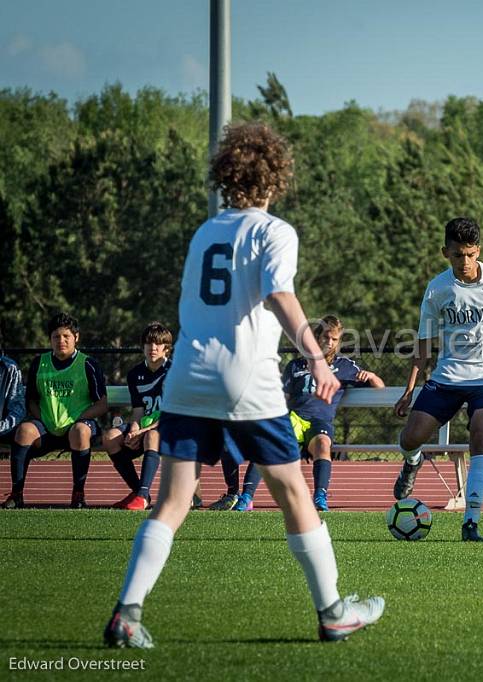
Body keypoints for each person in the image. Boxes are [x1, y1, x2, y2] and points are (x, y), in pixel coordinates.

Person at [103, 121, 383, 649]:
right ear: (274, 177)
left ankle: (126, 612)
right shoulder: (274, 231)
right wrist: (318, 358)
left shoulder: (205, 232)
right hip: (245, 377)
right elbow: (280, 294)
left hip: (188, 373)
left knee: (174, 499)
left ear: (225, 176)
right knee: (294, 493)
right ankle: (333, 613)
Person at [392, 217, 483, 542]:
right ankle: (413, 462)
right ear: (445, 253)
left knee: (481, 433)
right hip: (448, 377)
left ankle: (471, 520)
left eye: (469, 254)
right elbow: (424, 340)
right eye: (457, 255)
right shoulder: (438, 289)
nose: (464, 262)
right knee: (410, 438)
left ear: (478, 250)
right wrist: (410, 387)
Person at [211, 316, 384, 512]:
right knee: (265, 444)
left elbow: (380, 388)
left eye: (334, 339)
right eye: (326, 337)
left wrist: (372, 376)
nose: (329, 342)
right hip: (294, 419)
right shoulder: (295, 366)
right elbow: (281, 399)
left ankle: (319, 496)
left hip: (319, 421)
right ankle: (246, 497)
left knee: (323, 444)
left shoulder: (344, 366)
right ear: (316, 337)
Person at [3, 312, 108, 509]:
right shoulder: (39, 363)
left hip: (77, 428)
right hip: (46, 427)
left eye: (66, 336)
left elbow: (102, 404)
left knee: (80, 431)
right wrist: (41, 418)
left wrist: (78, 418)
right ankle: (16, 494)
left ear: (76, 337)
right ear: (50, 339)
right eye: (56, 337)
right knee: (24, 431)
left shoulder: (88, 364)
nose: (61, 341)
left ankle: (78, 494)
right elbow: (31, 400)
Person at [102, 322, 173, 511]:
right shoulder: (135, 374)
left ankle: (141, 495)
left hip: (170, 429)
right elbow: (138, 411)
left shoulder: (175, 372)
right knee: (109, 438)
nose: (153, 348)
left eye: (158, 344)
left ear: (167, 348)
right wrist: (134, 428)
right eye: (149, 343)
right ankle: (140, 492)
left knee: (152, 436)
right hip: (145, 426)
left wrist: (143, 431)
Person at [1, 349, 27, 444]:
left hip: (3, 428)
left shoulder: (10, 367)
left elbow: (17, 408)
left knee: (25, 432)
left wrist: (2, 427)